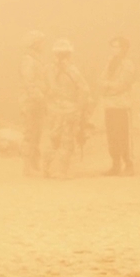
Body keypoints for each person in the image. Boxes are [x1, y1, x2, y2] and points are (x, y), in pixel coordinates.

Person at [42, 39, 90, 178]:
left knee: (53, 139)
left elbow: (43, 88)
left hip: (53, 110)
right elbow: (85, 89)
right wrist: (80, 108)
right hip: (69, 110)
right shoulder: (72, 70)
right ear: (69, 54)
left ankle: (46, 168)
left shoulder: (47, 69)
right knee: (67, 141)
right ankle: (60, 171)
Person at [101, 36, 137, 175]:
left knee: (123, 136)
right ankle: (115, 165)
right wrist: (108, 86)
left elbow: (121, 85)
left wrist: (107, 86)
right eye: (112, 46)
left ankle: (129, 164)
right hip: (109, 105)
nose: (113, 49)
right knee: (112, 137)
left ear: (124, 49)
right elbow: (100, 81)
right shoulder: (110, 63)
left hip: (122, 106)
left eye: (117, 46)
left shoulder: (128, 64)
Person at [19, 31, 50, 175]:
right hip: (31, 102)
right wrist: (39, 96)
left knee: (37, 134)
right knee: (30, 134)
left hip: (38, 101)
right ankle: (28, 166)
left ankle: (34, 164)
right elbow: (29, 82)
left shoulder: (36, 59)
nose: (43, 45)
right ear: (35, 44)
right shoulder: (28, 60)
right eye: (41, 43)